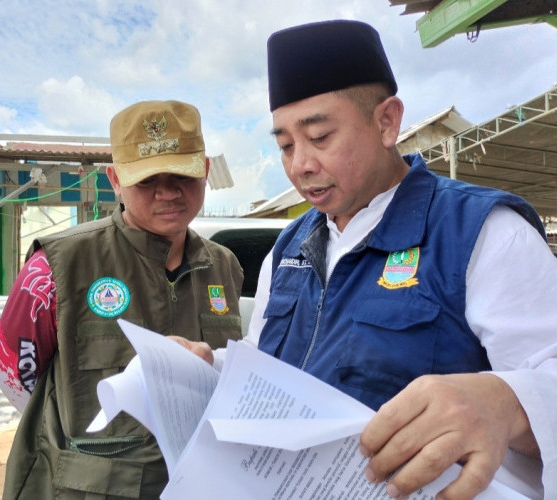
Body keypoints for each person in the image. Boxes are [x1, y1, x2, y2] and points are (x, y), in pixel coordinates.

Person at [181, 20, 557, 499]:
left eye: (319, 137)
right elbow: (266, 367)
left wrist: (508, 403)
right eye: (285, 145)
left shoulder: (481, 232)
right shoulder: (290, 247)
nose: (300, 165)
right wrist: (208, 368)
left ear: (386, 122)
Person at [0, 100, 244, 499]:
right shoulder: (55, 266)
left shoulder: (225, 266)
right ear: (115, 179)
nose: (167, 192)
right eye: (146, 180)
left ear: (205, 171)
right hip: (87, 489)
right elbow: (14, 376)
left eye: (182, 174)